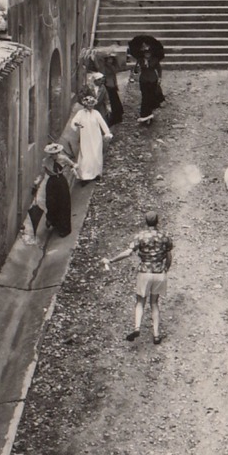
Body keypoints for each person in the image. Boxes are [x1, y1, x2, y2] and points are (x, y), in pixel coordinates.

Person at [102, 211, 173, 344]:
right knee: (154, 303)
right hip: (159, 273)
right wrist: (165, 269)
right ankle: (156, 335)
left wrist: (111, 260)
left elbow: (128, 253)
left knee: (140, 302)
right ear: (158, 221)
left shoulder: (140, 237)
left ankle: (137, 327)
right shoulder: (165, 237)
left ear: (146, 222)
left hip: (144, 273)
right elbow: (169, 257)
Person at [30, 143, 76, 239]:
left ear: (58, 152)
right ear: (49, 154)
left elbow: (73, 165)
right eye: (52, 154)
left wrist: (74, 169)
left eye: (56, 153)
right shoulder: (46, 161)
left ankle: (64, 228)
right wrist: (37, 182)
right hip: (52, 183)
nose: (54, 155)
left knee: (64, 204)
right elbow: (42, 174)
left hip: (61, 182)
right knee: (51, 203)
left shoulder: (63, 158)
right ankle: (52, 220)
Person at [71, 95, 112, 183]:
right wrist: (77, 124)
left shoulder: (96, 113)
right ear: (85, 105)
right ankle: (85, 177)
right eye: (89, 105)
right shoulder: (80, 113)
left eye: (92, 105)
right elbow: (74, 122)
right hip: (85, 138)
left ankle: (96, 174)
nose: (90, 107)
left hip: (96, 138)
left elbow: (102, 123)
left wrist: (107, 133)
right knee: (85, 156)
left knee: (96, 156)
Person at [135, 48, 164, 124]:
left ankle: (149, 114)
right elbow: (135, 71)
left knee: (150, 97)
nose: (147, 54)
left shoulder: (155, 60)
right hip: (143, 80)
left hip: (152, 80)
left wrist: (160, 78)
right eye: (146, 53)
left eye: (149, 53)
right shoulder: (140, 60)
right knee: (145, 97)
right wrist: (137, 67)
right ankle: (144, 114)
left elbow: (159, 69)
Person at [101, 52, 124, 124]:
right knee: (111, 102)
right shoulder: (104, 67)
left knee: (115, 102)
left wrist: (116, 84)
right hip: (108, 86)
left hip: (112, 85)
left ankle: (117, 117)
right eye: (109, 59)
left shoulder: (112, 66)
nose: (110, 61)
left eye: (111, 59)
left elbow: (114, 76)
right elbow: (104, 77)